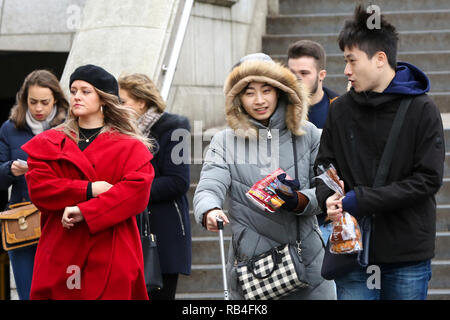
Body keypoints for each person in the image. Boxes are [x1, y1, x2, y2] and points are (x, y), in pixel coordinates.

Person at [314, 5, 444, 300]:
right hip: (351, 247)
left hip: (406, 252)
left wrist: (363, 199)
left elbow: (427, 179)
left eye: (351, 60)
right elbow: (324, 165)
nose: (345, 70)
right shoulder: (341, 110)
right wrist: (328, 197)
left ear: (380, 59)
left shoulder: (422, 109)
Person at [193, 53, 336, 300]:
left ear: (280, 91)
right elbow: (209, 185)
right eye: (249, 92)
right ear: (238, 97)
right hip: (252, 269)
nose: (259, 100)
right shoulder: (224, 141)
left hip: (309, 265)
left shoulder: (309, 134)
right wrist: (208, 209)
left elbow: (327, 187)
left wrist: (299, 200)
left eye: (266, 90)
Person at [21, 64, 154, 300]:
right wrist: (89, 189)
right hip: (61, 246)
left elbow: (136, 194)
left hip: (112, 248)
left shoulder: (129, 146)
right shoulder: (49, 142)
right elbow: (40, 189)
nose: (77, 97)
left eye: (85, 91)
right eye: (73, 91)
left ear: (103, 99)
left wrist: (85, 211)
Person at [118, 73, 191, 300]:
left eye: (123, 102)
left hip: (163, 234)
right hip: (126, 233)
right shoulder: (118, 132)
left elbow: (178, 181)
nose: (117, 107)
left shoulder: (176, 127)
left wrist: (128, 194)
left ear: (141, 102)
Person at [0, 69, 68, 299]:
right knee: (27, 292)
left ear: (56, 100)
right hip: (22, 219)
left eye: (45, 102)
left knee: (60, 292)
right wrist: (10, 168)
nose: (38, 108)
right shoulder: (9, 129)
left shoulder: (71, 128)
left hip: (59, 220)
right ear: (24, 100)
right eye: (33, 102)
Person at [287, 39, 339, 246]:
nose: (296, 79)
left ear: (321, 75)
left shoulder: (339, 108)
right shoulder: (279, 111)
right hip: (292, 215)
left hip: (329, 218)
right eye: (291, 73)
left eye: (305, 73)